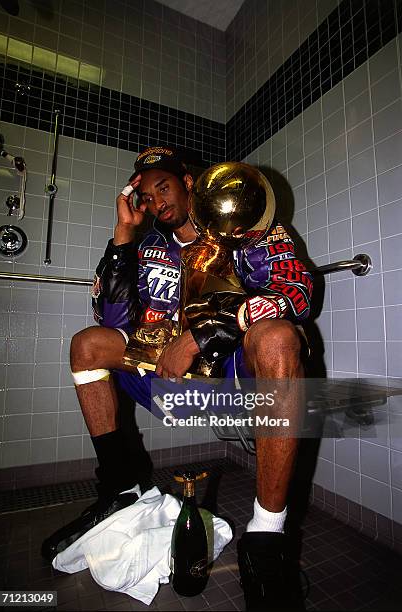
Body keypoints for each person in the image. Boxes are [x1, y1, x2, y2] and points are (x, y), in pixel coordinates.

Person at [42, 145, 312, 611]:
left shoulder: (241, 219)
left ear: (188, 182)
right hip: (164, 374)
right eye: (145, 198)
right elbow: (113, 319)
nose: (155, 203)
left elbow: (295, 290)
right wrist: (124, 234)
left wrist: (200, 334)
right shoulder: (145, 247)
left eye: (162, 188)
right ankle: (120, 489)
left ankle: (266, 539)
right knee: (89, 343)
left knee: (277, 339)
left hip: (230, 373)